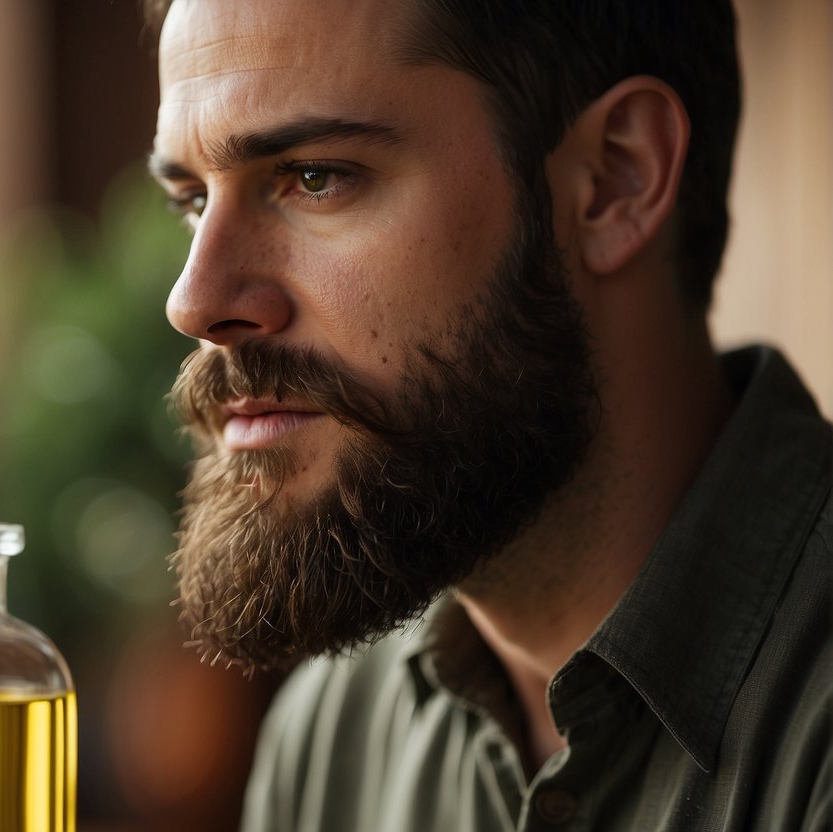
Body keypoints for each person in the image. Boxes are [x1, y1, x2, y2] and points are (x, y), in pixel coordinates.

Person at [144, 0, 831, 829]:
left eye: (313, 175)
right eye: (191, 199)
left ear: (614, 179)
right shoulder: (335, 730)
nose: (194, 301)